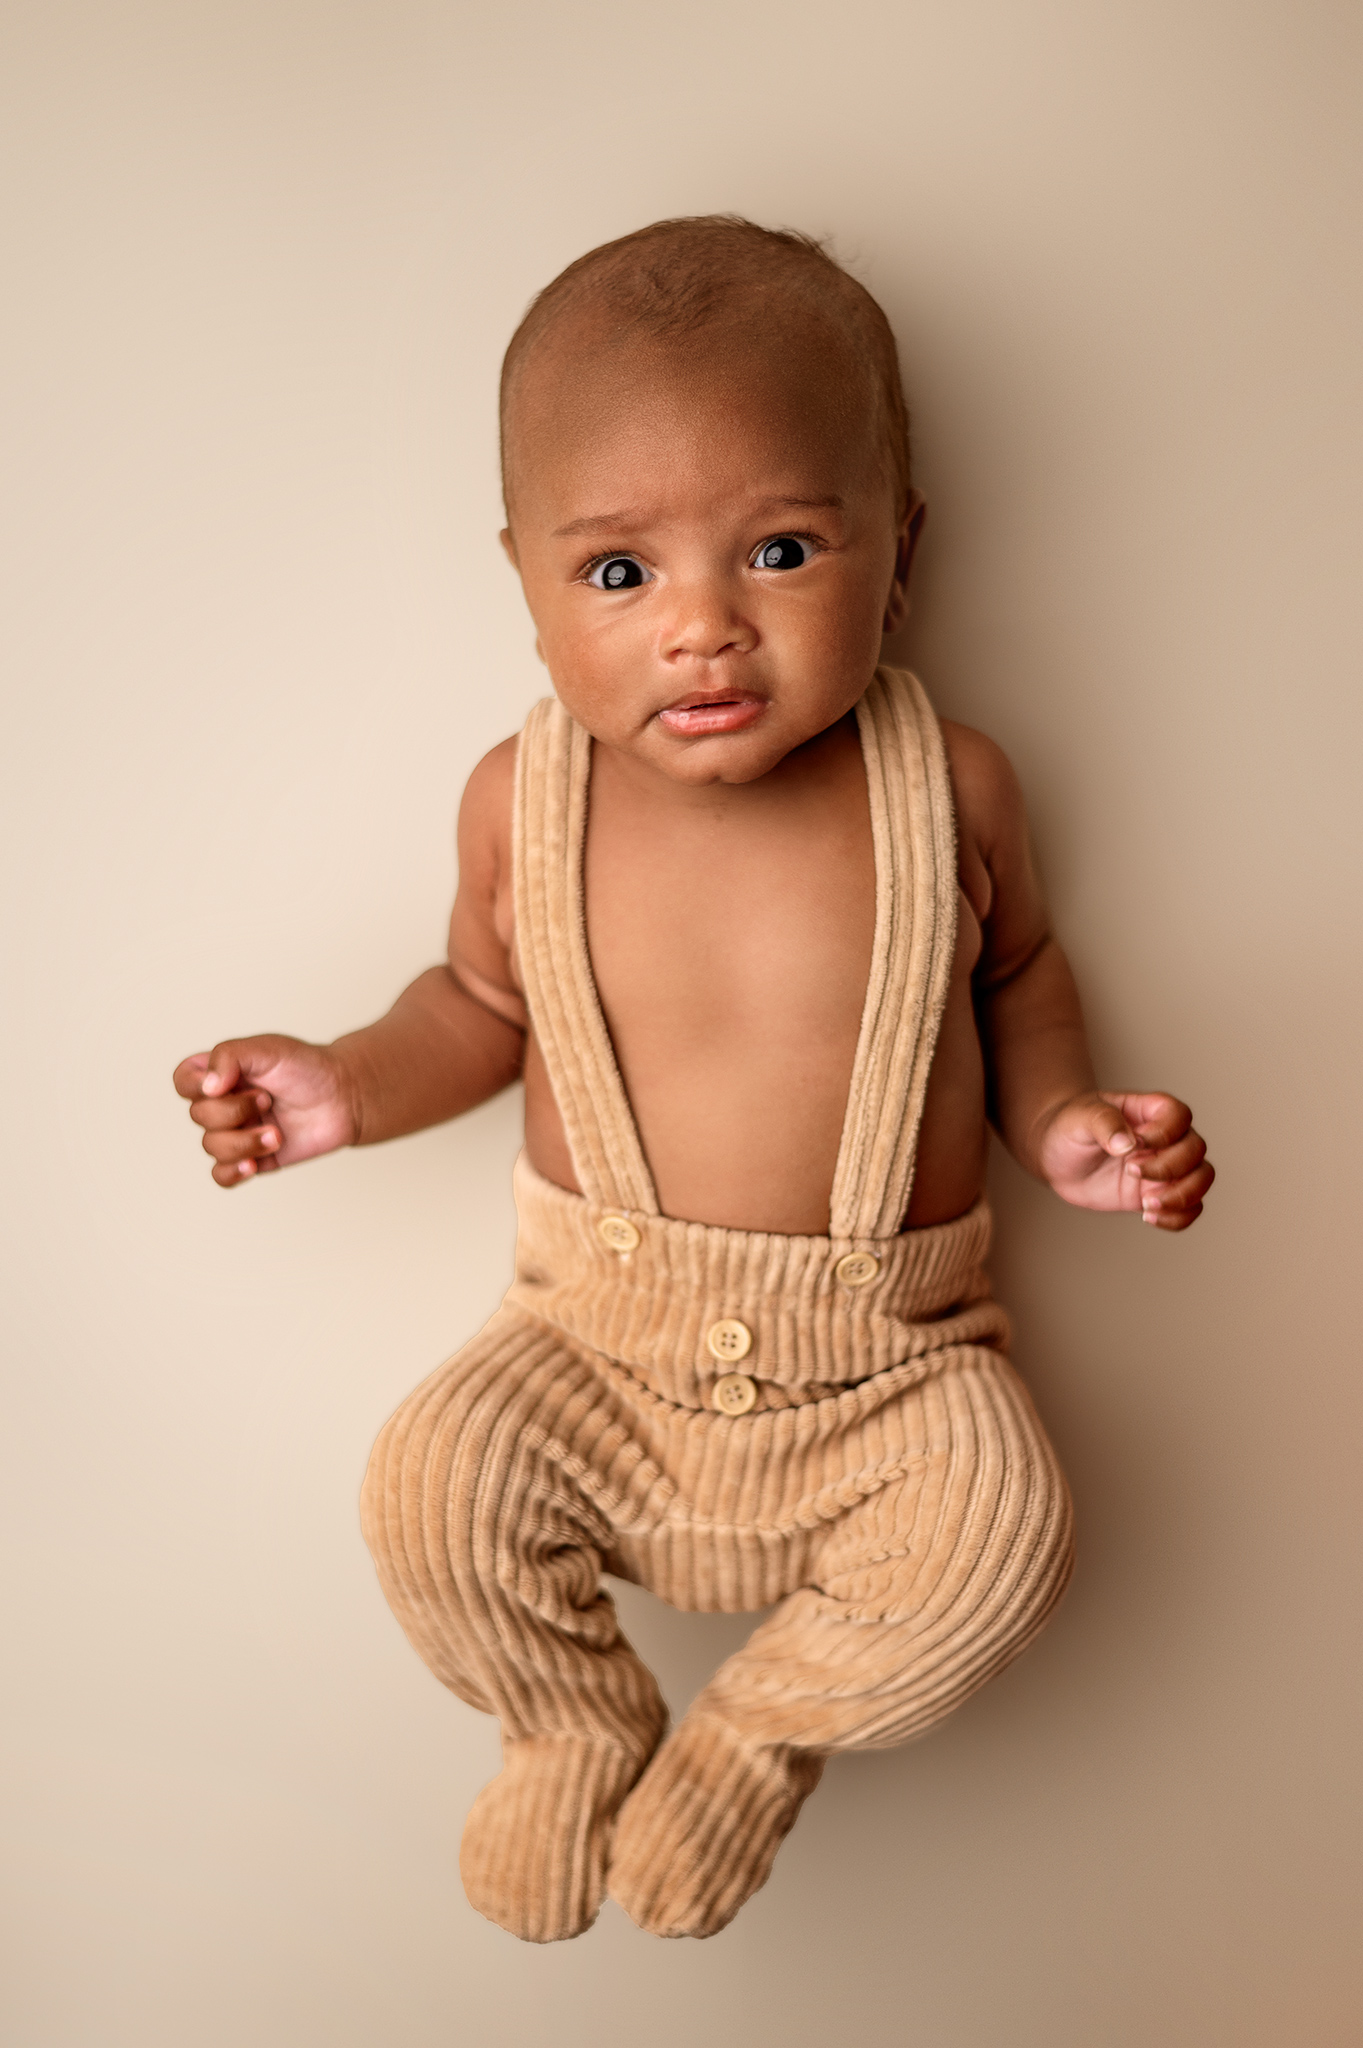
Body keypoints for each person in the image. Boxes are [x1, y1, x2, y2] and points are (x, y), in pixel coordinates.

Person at [173, 216, 1214, 1944]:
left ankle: (752, 1739)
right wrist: (348, 1082)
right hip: (594, 1351)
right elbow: (476, 1000)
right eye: (618, 575)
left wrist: (1071, 1131)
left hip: (890, 1377)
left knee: (1007, 1532)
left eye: (784, 549)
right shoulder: (524, 797)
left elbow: (1020, 977)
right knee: (431, 1483)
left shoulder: (953, 785)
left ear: (904, 549)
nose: (704, 632)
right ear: (523, 578)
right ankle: (577, 1719)